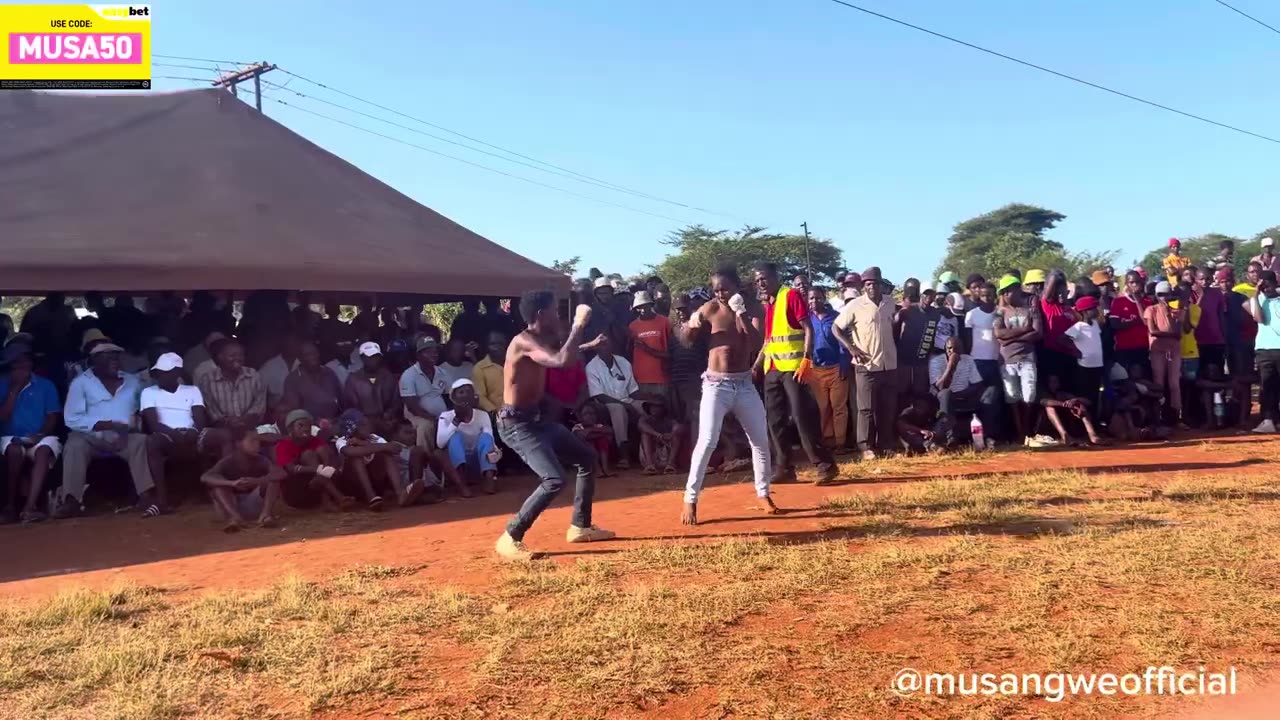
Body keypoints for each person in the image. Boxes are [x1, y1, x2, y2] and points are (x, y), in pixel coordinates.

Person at [494, 291, 614, 562]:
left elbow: (560, 354)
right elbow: (561, 361)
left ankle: (580, 526)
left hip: (536, 420)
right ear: (540, 315)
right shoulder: (523, 341)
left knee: (586, 458)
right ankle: (510, 536)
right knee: (554, 479)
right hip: (516, 424)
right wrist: (578, 324)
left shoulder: (540, 340)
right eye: (555, 311)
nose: (559, 316)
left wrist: (587, 344)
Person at [678, 266, 775, 525]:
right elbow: (685, 339)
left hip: (743, 384)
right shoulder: (709, 309)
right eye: (717, 289)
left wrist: (740, 312)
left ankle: (763, 493)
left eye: (725, 288)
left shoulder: (753, 309)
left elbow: (755, 343)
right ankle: (690, 498)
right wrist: (692, 324)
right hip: (715, 384)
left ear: (737, 287)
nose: (721, 294)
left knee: (760, 441)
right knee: (707, 440)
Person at [753, 262, 837, 483]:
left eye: (764, 278)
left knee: (802, 416)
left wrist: (807, 359)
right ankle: (784, 467)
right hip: (772, 369)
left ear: (775, 276)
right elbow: (769, 340)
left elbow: (808, 328)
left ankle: (824, 465)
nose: (761, 283)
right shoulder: (768, 304)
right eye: (757, 280)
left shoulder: (790, 296)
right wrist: (756, 365)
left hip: (794, 369)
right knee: (774, 419)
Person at [57, 341, 157, 519]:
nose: (115, 361)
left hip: (124, 436)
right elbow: (72, 418)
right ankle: (71, 500)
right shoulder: (80, 384)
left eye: (117, 357)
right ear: (95, 361)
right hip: (90, 437)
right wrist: (109, 425)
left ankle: (145, 496)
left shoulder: (133, 382)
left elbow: (141, 410)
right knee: (74, 444)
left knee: (141, 441)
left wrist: (127, 430)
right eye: (109, 358)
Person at [140, 352, 225, 515]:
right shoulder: (148, 392)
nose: (162, 376)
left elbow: (199, 420)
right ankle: (162, 500)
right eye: (160, 373)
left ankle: (225, 489)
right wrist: (174, 433)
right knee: (152, 442)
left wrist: (192, 431)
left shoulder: (192, 390)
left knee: (223, 437)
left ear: (177, 372)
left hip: (193, 434)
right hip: (165, 435)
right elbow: (153, 424)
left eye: (167, 372)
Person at [835, 267, 899, 459]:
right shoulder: (855, 305)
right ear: (863, 286)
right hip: (866, 365)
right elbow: (836, 328)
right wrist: (852, 348)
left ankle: (886, 445)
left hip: (889, 364)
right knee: (866, 409)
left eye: (875, 283)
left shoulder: (889, 303)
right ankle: (865, 447)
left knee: (887, 407)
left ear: (881, 285)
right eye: (868, 284)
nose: (871, 287)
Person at [0, 346, 61, 523]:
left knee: (43, 451)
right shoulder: (2, 384)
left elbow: (52, 417)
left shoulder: (45, 385)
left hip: (39, 436)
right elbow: (3, 417)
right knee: (14, 450)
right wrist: (15, 388)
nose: (22, 366)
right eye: (17, 363)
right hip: (9, 437)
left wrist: (41, 434)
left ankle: (29, 508)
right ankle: (9, 506)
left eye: (25, 361)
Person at [993, 275, 1050, 447]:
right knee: (1012, 398)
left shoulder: (1031, 309)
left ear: (1019, 289)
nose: (1008, 294)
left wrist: (1010, 339)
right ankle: (1020, 434)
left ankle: (1027, 432)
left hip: (1027, 358)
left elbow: (1038, 333)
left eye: (1011, 290)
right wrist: (1025, 329)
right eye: (1004, 292)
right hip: (1007, 360)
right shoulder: (1000, 311)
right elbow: (999, 334)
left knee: (1029, 397)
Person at [335, 410, 424, 510]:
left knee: (386, 454)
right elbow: (350, 452)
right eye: (363, 425)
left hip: (376, 482)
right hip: (352, 486)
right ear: (352, 428)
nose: (368, 426)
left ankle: (401, 494)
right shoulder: (342, 440)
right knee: (356, 457)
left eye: (367, 423)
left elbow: (395, 448)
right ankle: (371, 497)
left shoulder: (374, 437)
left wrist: (363, 443)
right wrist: (381, 447)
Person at [201, 428, 285, 532]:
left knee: (274, 480)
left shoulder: (261, 460)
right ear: (239, 444)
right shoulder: (228, 461)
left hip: (253, 505)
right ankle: (235, 518)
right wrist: (232, 483)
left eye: (258, 441)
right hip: (231, 506)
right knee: (217, 487)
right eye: (252, 441)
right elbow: (205, 477)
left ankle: (265, 516)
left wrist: (257, 481)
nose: (257, 444)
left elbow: (281, 473)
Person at [198, 339, 268, 455]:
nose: (237, 358)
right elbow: (211, 411)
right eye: (232, 355)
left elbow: (259, 405)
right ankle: (228, 472)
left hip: (250, 425)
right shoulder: (208, 380)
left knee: (258, 438)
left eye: (240, 355)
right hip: (221, 428)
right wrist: (229, 422)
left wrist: (243, 421)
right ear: (220, 357)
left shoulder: (253, 375)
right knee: (227, 437)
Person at [585, 335, 643, 469]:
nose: (605, 347)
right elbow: (599, 395)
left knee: (646, 407)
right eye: (602, 344)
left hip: (627, 399)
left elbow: (633, 391)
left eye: (607, 343)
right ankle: (624, 456)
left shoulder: (623, 362)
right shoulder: (591, 367)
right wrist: (626, 405)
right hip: (605, 404)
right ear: (596, 347)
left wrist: (647, 401)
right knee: (618, 409)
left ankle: (649, 454)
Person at [930, 335, 999, 445]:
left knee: (991, 391)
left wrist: (959, 394)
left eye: (957, 349)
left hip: (965, 395)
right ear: (945, 348)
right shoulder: (936, 361)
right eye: (950, 348)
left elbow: (977, 384)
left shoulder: (968, 359)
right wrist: (951, 365)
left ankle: (987, 436)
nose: (953, 351)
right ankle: (950, 437)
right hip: (946, 398)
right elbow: (940, 387)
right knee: (946, 393)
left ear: (962, 349)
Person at [275, 408, 349, 510]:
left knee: (319, 451)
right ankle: (337, 498)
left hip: (316, 488)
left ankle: (328, 500)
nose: (305, 429)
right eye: (300, 425)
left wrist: (325, 469)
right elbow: (291, 469)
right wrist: (318, 469)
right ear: (290, 429)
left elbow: (332, 462)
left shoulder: (316, 442)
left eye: (308, 426)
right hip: (296, 492)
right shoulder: (283, 446)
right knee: (308, 454)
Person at [805, 287, 850, 452]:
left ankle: (840, 443)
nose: (814, 301)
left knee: (839, 407)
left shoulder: (836, 318)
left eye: (817, 298)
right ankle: (827, 440)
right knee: (822, 407)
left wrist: (844, 364)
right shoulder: (806, 320)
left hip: (837, 368)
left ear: (824, 298)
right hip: (816, 370)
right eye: (811, 298)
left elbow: (842, 344)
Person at [437, 379, 500, 496]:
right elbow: (440, 444)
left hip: (479, 464)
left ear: (474, 396)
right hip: (457, 466)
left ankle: (489, 479)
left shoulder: (482, 415)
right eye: (461, 392)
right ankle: (461, 484)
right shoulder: (445, 416)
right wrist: (456, 422)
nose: (465, 395)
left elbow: (490, 440)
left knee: (486, 437)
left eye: (468, 392)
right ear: (453, 397)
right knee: (455, 437)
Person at [668, 294, 710, 441]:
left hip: (694, 377)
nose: (680, 312)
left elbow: (707, 351)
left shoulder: (699, 326)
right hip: (676, 378)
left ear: (691, 308)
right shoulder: (673, 329)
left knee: (695, 416)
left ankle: (696, 455)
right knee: (681, 417)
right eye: (677, 309)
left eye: (683, 308)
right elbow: (671, 354)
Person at [342, 342, 402, 437]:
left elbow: (395, 401)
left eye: (376, 356)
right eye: (370, 357)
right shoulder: (353, 379)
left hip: (387, 423)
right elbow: (350, 407)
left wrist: (389, 415)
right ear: (362, 358)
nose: (374, 360)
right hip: (362, 426)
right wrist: (369, 422)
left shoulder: (388, 376)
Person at [1144, 281, 1184, 425]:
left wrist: (1170, 314)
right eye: (1160, 295)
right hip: (1158, 350)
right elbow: (1152, 330)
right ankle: (1158, 414)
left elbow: (1179, 332)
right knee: (1158, 382)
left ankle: (1176, 415)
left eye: (1166, 294)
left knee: (1174, 384)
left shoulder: (1176, 310)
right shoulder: (1151, 310)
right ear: (1156, 295)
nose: (1164, 298)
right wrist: (1170, 334)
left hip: (1173, 349)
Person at [399, 336, 450, 449]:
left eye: (435, 351)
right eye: (428, 352)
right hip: (416, 416)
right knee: (426, 426)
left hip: (441, 415)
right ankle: (424, 457)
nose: (434, 355)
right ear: (418, 355)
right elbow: (412, 407)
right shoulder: (409, 375)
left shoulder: (443, 372)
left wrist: (448, 416)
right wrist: (433, 419)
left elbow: (449, 397)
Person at [280, 340, 344, 425]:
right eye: (307, 355)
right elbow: (294, 413)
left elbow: (341, 401)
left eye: (314, 353)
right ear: (300, 358)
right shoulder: (292, 380)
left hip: (334, 424)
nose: (312, 357)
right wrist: (317, 422)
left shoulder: (329, 373)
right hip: (308, 427)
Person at [1249, 270, 1280, 433]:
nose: (1265, 288)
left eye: (1268, 284)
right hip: (1264, 349)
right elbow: (1259, 319)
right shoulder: (1258, 299)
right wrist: (1256, 294)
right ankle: (1269, 420)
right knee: (1267, 386)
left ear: (1275, 283)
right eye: (1263, 285)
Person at [963, 281, 1002, 405]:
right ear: (979, 296)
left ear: (995, 296)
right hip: (977, 361)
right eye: (984, 295)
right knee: (978, 396)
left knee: (995, 397)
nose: (987, 298)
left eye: (990, 295)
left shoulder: (1000, 313)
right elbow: (968, 340)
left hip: (997, 361)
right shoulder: (971, 315)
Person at [629, 290, 672, 402]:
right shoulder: (633, 326)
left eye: (645, 306)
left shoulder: (664, 322)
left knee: (662, 410)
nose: (643, 310)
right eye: (639, 307)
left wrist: (648, 350)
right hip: (640, 377)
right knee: (646, 411)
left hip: (661, 377)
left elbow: (671, 351)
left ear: (651, 304)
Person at [1063, 296, 1105, 411]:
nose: (1096, 310)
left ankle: (1095, 421)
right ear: (1085, 311)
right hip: (1085, 367)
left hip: (1097, 366)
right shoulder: (1078, 327)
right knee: (1084, 396)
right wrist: (1075, 350)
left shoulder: (1095, 324)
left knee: (1095, 395)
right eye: (1093, 308)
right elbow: (1062, 339)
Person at [1109, 271, 1152, 376]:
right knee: (1127, 380)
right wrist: (1135, 321)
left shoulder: (1148, 302)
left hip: (1144, 348)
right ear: (1127, 284)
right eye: (1131, 282)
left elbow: (1148, 323)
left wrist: (1137, 299)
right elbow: (1115, 324)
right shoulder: (1119, 301)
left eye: (1137, 282)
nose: (1134, 285)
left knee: (1145, 378)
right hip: (1125, 349)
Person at [1192, 267, 1227, 373]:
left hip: (1215, 340)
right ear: (1196, 279)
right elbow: (1192, 313)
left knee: (1215, 373)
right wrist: (1201, 295)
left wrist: (1224, 337)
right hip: (1195, 341)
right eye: (1201, 279)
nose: (1204, 282)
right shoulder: (1190, 294)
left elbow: (1221, 316)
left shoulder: (1217, 293)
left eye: (1207, 279)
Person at [638, 398, 682, 474]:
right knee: (645, 435)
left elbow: (678, 427)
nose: (654, 409)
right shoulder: (645, 419)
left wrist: (671, 434)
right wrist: (658, 435)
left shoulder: (669, 421)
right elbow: (641, 425)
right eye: (652, 406)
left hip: (665, 455)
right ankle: (649, 466)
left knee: (676, 436)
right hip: (651, 455)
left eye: (657, 407)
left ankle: (670, 465)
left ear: (663, 409)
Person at [572, 403, 614, 478]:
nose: (590, 416)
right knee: (590, 442)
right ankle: (597, 469)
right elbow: (583, 436)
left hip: (598, 451)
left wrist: (590, 430)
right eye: (586, 413)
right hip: (583, 456)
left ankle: (605, 468)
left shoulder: (598, 425)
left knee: (602, 440)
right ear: (581, 417)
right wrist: (600, 433)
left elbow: (610, 430)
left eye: (592, 413)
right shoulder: (577, 427)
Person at [472, 331, 508, 415]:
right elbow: (480, 397)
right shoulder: (479, 368)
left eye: (500, 343)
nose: (497, 347)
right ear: (487, 346)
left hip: (517, 416)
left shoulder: (513, 363)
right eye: (493, 344)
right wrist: (497, 413)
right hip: (494, 417)